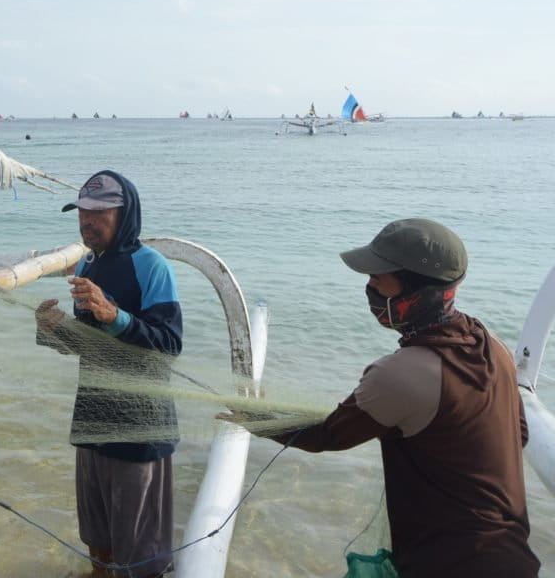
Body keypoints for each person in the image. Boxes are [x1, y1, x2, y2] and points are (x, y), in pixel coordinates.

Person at [228, 218, 539, 577]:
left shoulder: (400, 374)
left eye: (379, 278)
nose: (370, 287)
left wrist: (257, 420)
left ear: (418, 292)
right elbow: (521, 435)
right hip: (513, 558)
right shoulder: (491, 346)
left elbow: (327, 434)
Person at [35, 170, 183, 578]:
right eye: (82, 212)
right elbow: (88, 343)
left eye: (99, 212)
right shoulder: (87, 264)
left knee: (140, 552)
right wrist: (54, 329)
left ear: (125, 213)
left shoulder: (151, 267)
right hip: (92, 421)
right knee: (97, 539)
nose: (87, 221)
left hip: (139, 427)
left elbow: (168, 347)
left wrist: (115, 315)